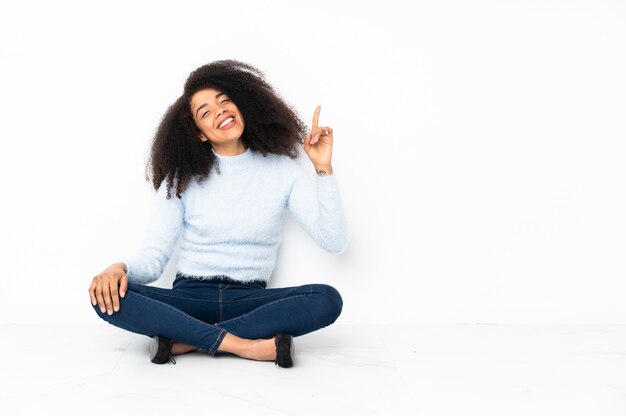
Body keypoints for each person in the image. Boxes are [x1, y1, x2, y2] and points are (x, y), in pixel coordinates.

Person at [88, 60, 347, 368]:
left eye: (225, 101)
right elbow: (153, 259)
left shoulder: (283, 172)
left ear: (243, 105)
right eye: (206, 112)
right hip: (189, 300)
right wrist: (118, 268)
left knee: (327, 299)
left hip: (249, 302)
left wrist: (324, 169)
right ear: (198, 133)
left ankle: (185, 340)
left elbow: (333, 240)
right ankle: (245, 346)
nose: (220, 111)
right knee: (106, 297)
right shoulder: (179, 179)